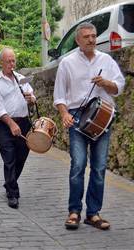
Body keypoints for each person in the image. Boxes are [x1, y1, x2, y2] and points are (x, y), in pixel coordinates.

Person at [53, 22, 125, 230]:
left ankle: (93, 213)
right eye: (86, 37)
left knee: (100, 168)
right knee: (78, 166)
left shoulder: (107, 60)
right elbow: (59, 96)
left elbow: (119, 87)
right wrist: (64, 113)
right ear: (78, 40)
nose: (91, 40)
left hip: (102, 119)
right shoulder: (67, 63)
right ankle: (74, 211)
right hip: (77, 117)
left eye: (93, 36)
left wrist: (106, 84)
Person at [0, 47, 36, 209]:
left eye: (13, 61)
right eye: (8, 61)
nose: (11, 64)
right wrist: (11, 124)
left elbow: (32, 95)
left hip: (23, 123)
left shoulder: (21, 78)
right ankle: (13, 193)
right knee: (9, 159)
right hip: (4, 125)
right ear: (1, 62)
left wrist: (31, 99)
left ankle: (10, 182)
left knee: (21, 159)